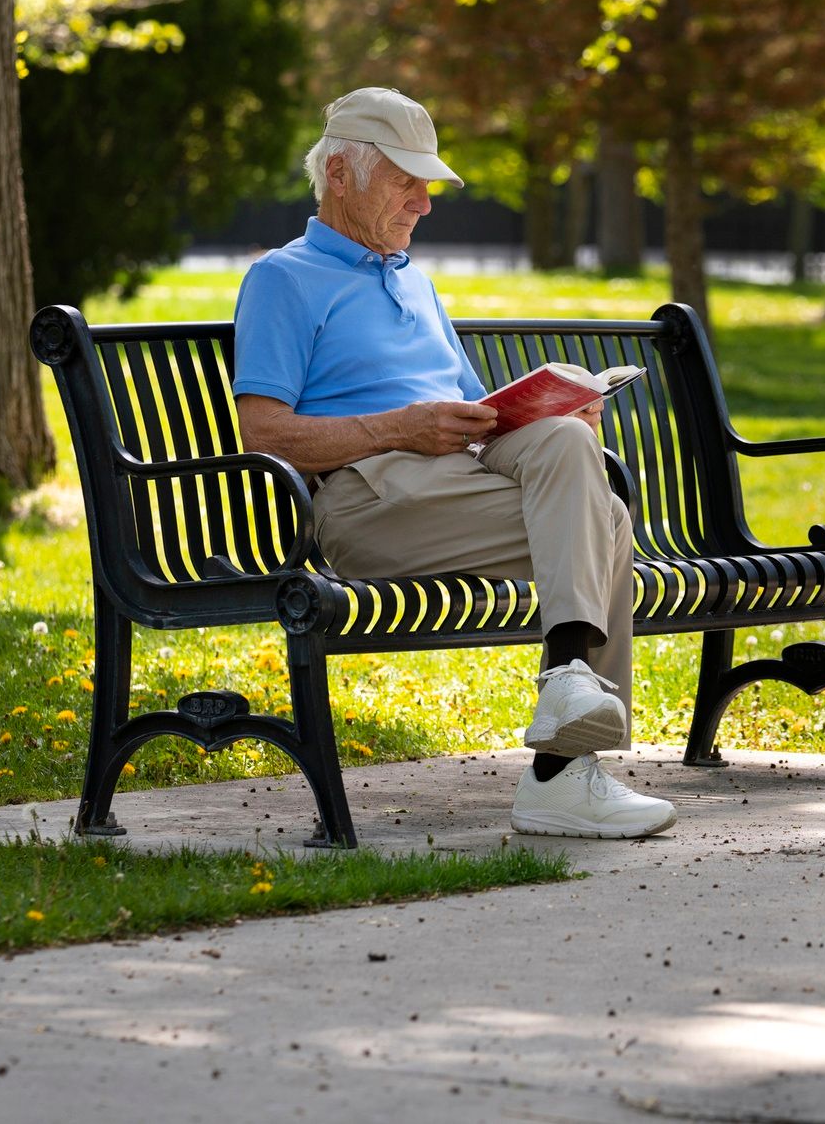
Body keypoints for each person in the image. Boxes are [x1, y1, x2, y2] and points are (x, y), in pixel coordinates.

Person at [231, 87, 676, 840]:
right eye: (406, 180)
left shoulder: (413, 278)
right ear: (340, 174)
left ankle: (566, 714)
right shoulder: (283, 278)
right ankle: (563, 776)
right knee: (607, 520)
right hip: (369, 503)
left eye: (427, 183)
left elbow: (475, 413)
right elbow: (262, 433)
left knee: (579, 456)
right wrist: (397, 427)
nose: (424, 203)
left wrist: (554, 409)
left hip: (455, 484)